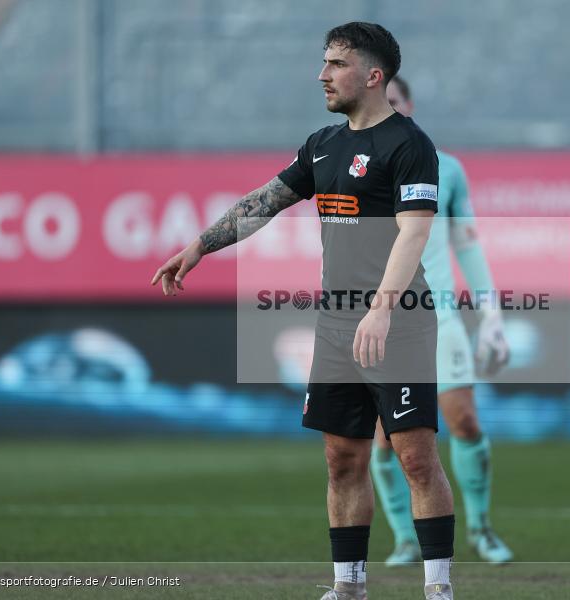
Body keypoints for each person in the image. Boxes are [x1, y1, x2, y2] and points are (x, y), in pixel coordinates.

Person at [151, 22, 456, 600]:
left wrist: (382, 309)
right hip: (337, 323)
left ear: (373, 76)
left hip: (399, 320)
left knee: (415, 458)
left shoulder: (410, 145)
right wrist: (199, 246)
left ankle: (438, 590)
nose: (322, 75)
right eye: (324, 62)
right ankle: (349, 587)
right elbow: (263, 202)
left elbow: (413, 234)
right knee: (342, 459)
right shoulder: (322, 144)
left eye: (336, 63)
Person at [370, 76, 514, 567]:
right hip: (379, 322)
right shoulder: (356, 165)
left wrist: (492, 314)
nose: (386, 110)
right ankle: (404, 539)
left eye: (393, 102)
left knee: (464, 421)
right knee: (384, 437)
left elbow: (468, 244)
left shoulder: (445, 169)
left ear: (408, 105)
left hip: (440, 319)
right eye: (379, 103)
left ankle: (480, 528)